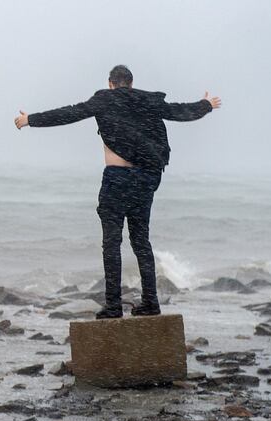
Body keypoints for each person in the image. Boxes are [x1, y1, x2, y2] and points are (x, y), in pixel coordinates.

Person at [14, 65, 221, 319]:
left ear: (110, 83)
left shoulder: (104, 99)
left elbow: (69, 113)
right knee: (141, 242)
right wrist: (206, 104)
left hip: (117, 179)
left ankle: (113, 306)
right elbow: (180, 111)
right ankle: (150, 302)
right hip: (146, 179)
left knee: (112, 242)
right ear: (131, 84)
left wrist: (29, 120)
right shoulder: (148, 101)